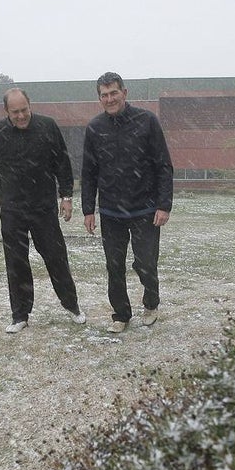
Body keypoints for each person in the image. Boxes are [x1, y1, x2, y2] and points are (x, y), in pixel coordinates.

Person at [0, 87, 86, 334]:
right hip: (12, 210)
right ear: (6, 111)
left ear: (30, 105)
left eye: (24, 110)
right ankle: (20, 315)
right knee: (16, 263)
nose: (21, 116)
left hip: (44, 208)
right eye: (15, 112)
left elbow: (62, 164)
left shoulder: (48, 127)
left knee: (56, 259)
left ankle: (72, 306)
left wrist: (66, 197)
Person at [81, 71, 174, 334]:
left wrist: (164, 204)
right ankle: (120, 314)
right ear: (99, 98)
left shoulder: (147, 121)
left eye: (113, 93)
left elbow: (163, 166)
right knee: (114, 265)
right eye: (104, 95)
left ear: (125, 93)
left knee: (145, 262)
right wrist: (89, 209)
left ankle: (151, 302)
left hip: (145, 208)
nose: (109, 99)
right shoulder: (95, 128)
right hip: (111, 211)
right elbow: (89, 172)